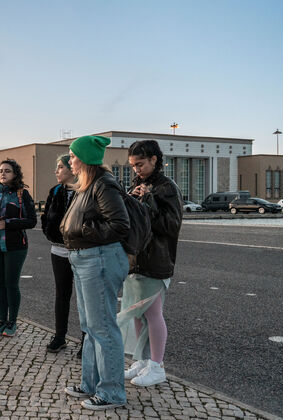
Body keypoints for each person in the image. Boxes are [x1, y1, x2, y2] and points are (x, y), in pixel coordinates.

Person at [60, 135, 130, 410]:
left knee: (103, 328)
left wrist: (86, 232)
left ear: (86, 159)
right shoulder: (87, 186)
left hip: (98, 259)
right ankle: (90, 384)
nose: (70, 160)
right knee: (90, 327)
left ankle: (112, 392)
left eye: (73, 156)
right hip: (85, 259)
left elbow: (120, 225)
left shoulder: (104, 185)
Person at [117, 140, 183, 387]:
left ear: (155, 159)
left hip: (157, 258)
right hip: (136, 258)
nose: (136, 170)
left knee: (153, 313)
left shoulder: (167, 188)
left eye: (140, 164)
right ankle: (142, 361)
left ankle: (157, 365)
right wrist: (129, 200)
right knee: (136, 312)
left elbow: (172, 226)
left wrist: (150, 202)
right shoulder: (138, 184)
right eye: (133, 165)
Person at [0, 159, 37, 338]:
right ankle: (2, 320)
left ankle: (12, 321)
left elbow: (31, 221)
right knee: (0, 285)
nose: (3, 174)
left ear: (15, 174)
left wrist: (8, 223)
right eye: (0, 171)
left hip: (15, 246)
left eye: (7, 171)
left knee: (11, 284)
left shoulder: (22, 194)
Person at [40, 154, 85, 356]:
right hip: (58, 249)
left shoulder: (84, 191)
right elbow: (46, 216)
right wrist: (50, 232)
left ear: (71, 168)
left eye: (60, 167)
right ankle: (60, 336)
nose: (56, 171)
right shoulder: (56, 191)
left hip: (82, 251)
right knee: (61, 294)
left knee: (85, 298)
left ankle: (87, 340)